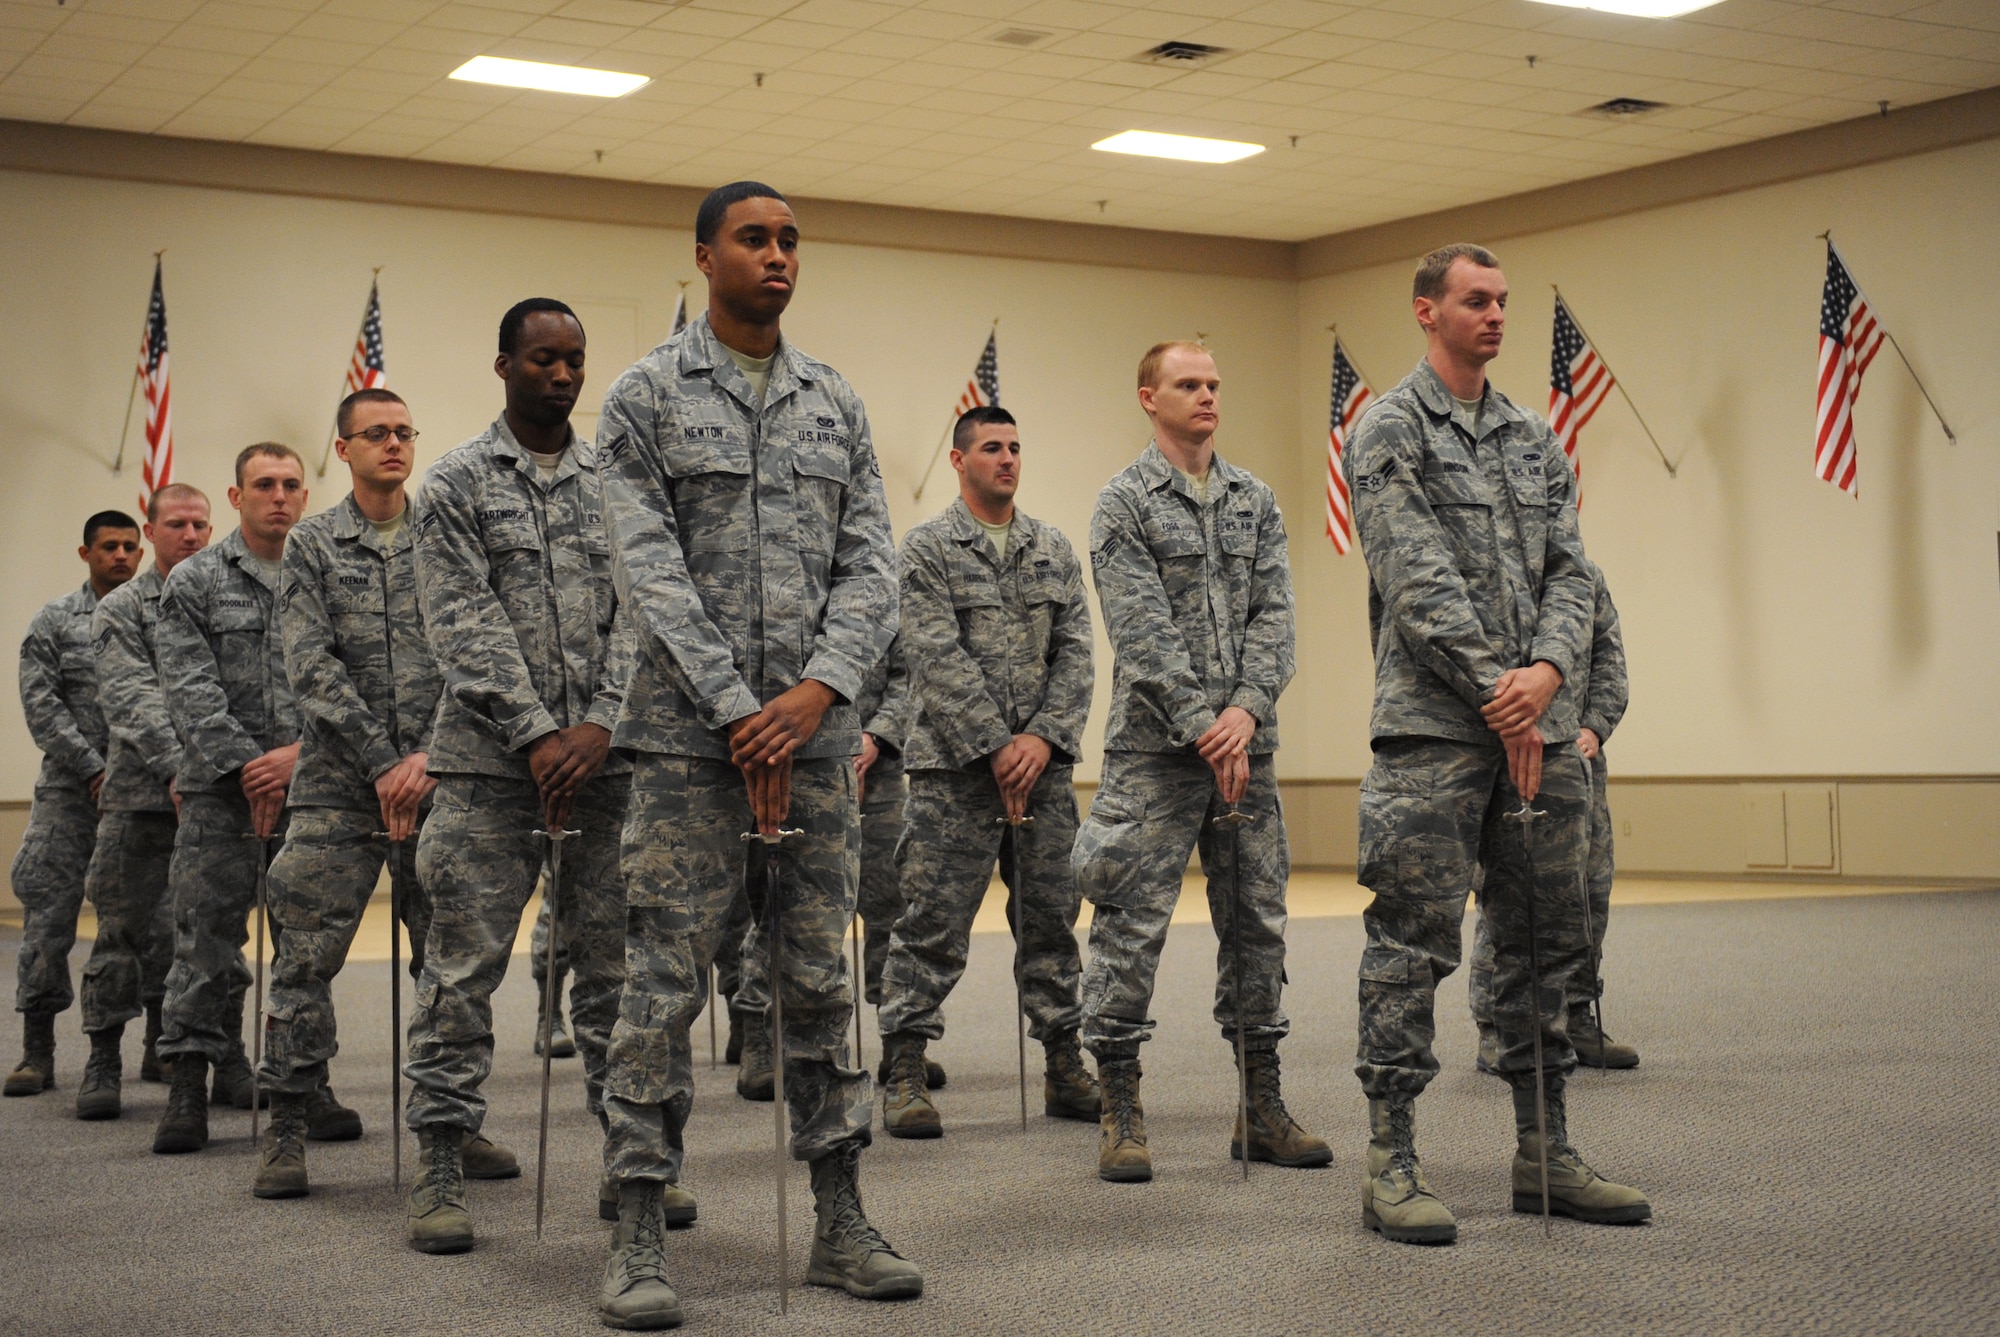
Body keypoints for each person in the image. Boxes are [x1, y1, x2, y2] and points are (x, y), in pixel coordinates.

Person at [595, 180, 919, 1327]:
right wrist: (742, 709)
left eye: (788, 238)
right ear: (702, 255)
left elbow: (875, 566)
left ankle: (840, 1214)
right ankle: (637, 1218)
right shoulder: (640, 397)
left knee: (822, 984)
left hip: (818, 748)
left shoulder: (835, 400)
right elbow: (647, 573)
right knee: (661, 983)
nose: (776, 253)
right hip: (688, 748)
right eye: (753, 237)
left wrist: (817, 692)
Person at [1344, 242, 1649, 1245]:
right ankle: (1390, 1159)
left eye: (1502, 300)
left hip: (1541, 730)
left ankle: (1543, 1150)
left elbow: (1574, 570)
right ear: (1425, 311)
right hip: (1433, 735)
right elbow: (1414, 576)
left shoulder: (1534, 434)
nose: (1494, 314)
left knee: (1544, 944)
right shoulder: (1387, 426)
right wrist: (1500, 697)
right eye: (1474, 300)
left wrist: (1551, 676)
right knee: (1408, 947)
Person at [403, 299, 632, 1254]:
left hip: (609, 767)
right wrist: (540, 733)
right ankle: (444, 1158)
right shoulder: (455, 481)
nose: (563, 374)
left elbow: (644, 610)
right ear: (503, 365)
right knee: (462, 969)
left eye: (575, 359)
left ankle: (633, 1161)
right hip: (489, 770)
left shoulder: (619, 480)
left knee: (617, 974)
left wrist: (602, 721)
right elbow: (460, 620)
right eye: (544, 358)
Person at [1071, 342, 1327, 1185]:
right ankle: (1120, 1106)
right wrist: (1203, 725)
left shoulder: (1256, 499)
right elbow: (1139, 631)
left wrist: (1246, 713)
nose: (1207, 395)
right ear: (1150, 396)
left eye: (1215, 383)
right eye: (1189, 384)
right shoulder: (1123, 503)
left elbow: (1277, 616)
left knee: (1257, 923)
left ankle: (1261, 1105)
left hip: (1248, 748)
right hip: (1154, 754)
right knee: (1129, 929)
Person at [250, 389, 460, 1197]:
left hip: (442, 784)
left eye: (406, 431)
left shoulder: (449, 533)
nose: (395, 444)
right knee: (303, 959)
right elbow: (312, 667)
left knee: (449, 963)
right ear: (344, 449)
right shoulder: (312, 543)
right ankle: (288, 1127)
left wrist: (431, 754)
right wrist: (382, 760)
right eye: (377, 433)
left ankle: (451, 1122)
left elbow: (470, 650)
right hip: (340, 787)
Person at [876, 405, 1097, 1138]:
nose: (1006, 459)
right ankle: (905, 1067)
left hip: (1044, 774)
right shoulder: (929, 549)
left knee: (1052, 922)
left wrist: (1042, 739)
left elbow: (1076, 653)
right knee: (930, 924)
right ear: (959, 460)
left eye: (1014, 447)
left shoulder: (1053, 548)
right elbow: (933, 658)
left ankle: (1065, 1060)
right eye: (991, 448)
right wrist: (996, 744)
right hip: (954, 774)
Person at [151, 445, 317, 1155]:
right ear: (237, 494)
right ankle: (188, 1081)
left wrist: (299, 759)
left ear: (305, 495)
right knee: (204, 940)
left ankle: (308, 1078)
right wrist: (251, 767)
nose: (278, 496)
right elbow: (189, 689)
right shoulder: (194, 580)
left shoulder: (324, 572)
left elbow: (354, 673)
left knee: (307, 944)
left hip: (313, 789)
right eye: (263, 484)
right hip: (221, 793)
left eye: (289, 484)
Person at [73, 487, 211, 1119]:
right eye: (177, 525)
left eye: (200, 525)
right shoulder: (124, 607)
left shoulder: (220, 592)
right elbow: (130, 696)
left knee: (207, 935)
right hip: (140, 795)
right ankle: (103, 1055)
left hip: (215, 793)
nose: (190, 535)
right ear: (152, 530)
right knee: (122, 931)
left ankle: (193, 1053)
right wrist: (180, 769)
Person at [1469, 563, 1637, 1071]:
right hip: (1505, 760)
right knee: (1507, 898)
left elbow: (1610, 662)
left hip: (1576, 762)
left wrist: (1595, 727)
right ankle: (1497, 1029)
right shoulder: (1493, 569)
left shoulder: (1584, 577)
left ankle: (1578, 1019)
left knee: (1585, 894)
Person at [4, 511, 141, 1098]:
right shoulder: (55, 622)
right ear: (84, 553)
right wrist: (92, 768)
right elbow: (42, 707)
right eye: (109, 547)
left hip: (138, 791)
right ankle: (38, 1052)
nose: (122, 556)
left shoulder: (155, 616)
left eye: (131, 547)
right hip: (69, 794)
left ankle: (158, 1045)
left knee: (145, 922)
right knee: (48, 920)